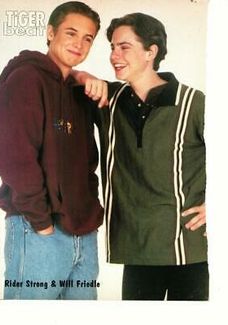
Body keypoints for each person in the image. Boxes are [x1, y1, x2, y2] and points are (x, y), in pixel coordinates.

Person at [79, 12, 208, 300]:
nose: (114, 55)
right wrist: (85, 75)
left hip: (187, 248)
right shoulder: (108, 100)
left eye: (124, 47)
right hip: (135, 249)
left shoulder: (193, 103)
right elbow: (65, 78)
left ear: (152, 51)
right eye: (112, 47)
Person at [0, 1, 106, 300]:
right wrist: (41, 222)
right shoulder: (26, 78)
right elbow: (13, 155)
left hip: (84, 233)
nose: (79, 44)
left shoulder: (80, 92)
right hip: (39, 230)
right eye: (71, 33)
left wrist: (84, 78)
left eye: (88, 38)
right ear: (50, 32)